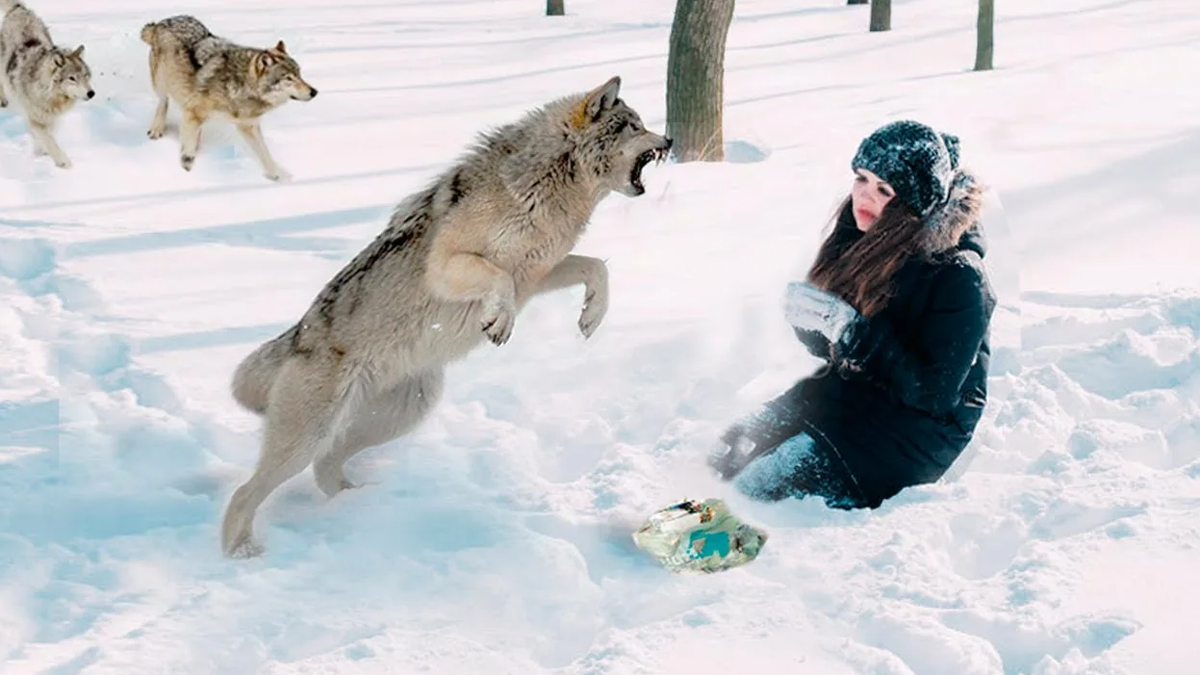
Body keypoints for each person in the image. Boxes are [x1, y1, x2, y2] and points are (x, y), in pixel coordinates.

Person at [707, 119, 998, 510]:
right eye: (861, 177)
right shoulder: (863, 230)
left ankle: (688, 553)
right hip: (855, 394)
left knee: (760, 487)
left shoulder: (960, 277)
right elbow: (841, 350)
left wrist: (851, 334)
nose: (865, 195)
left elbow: (932, 394)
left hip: (915, 434)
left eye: (884, 189)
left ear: (912, 204)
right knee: (730, 446)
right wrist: (812, 323)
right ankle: (658, 525)